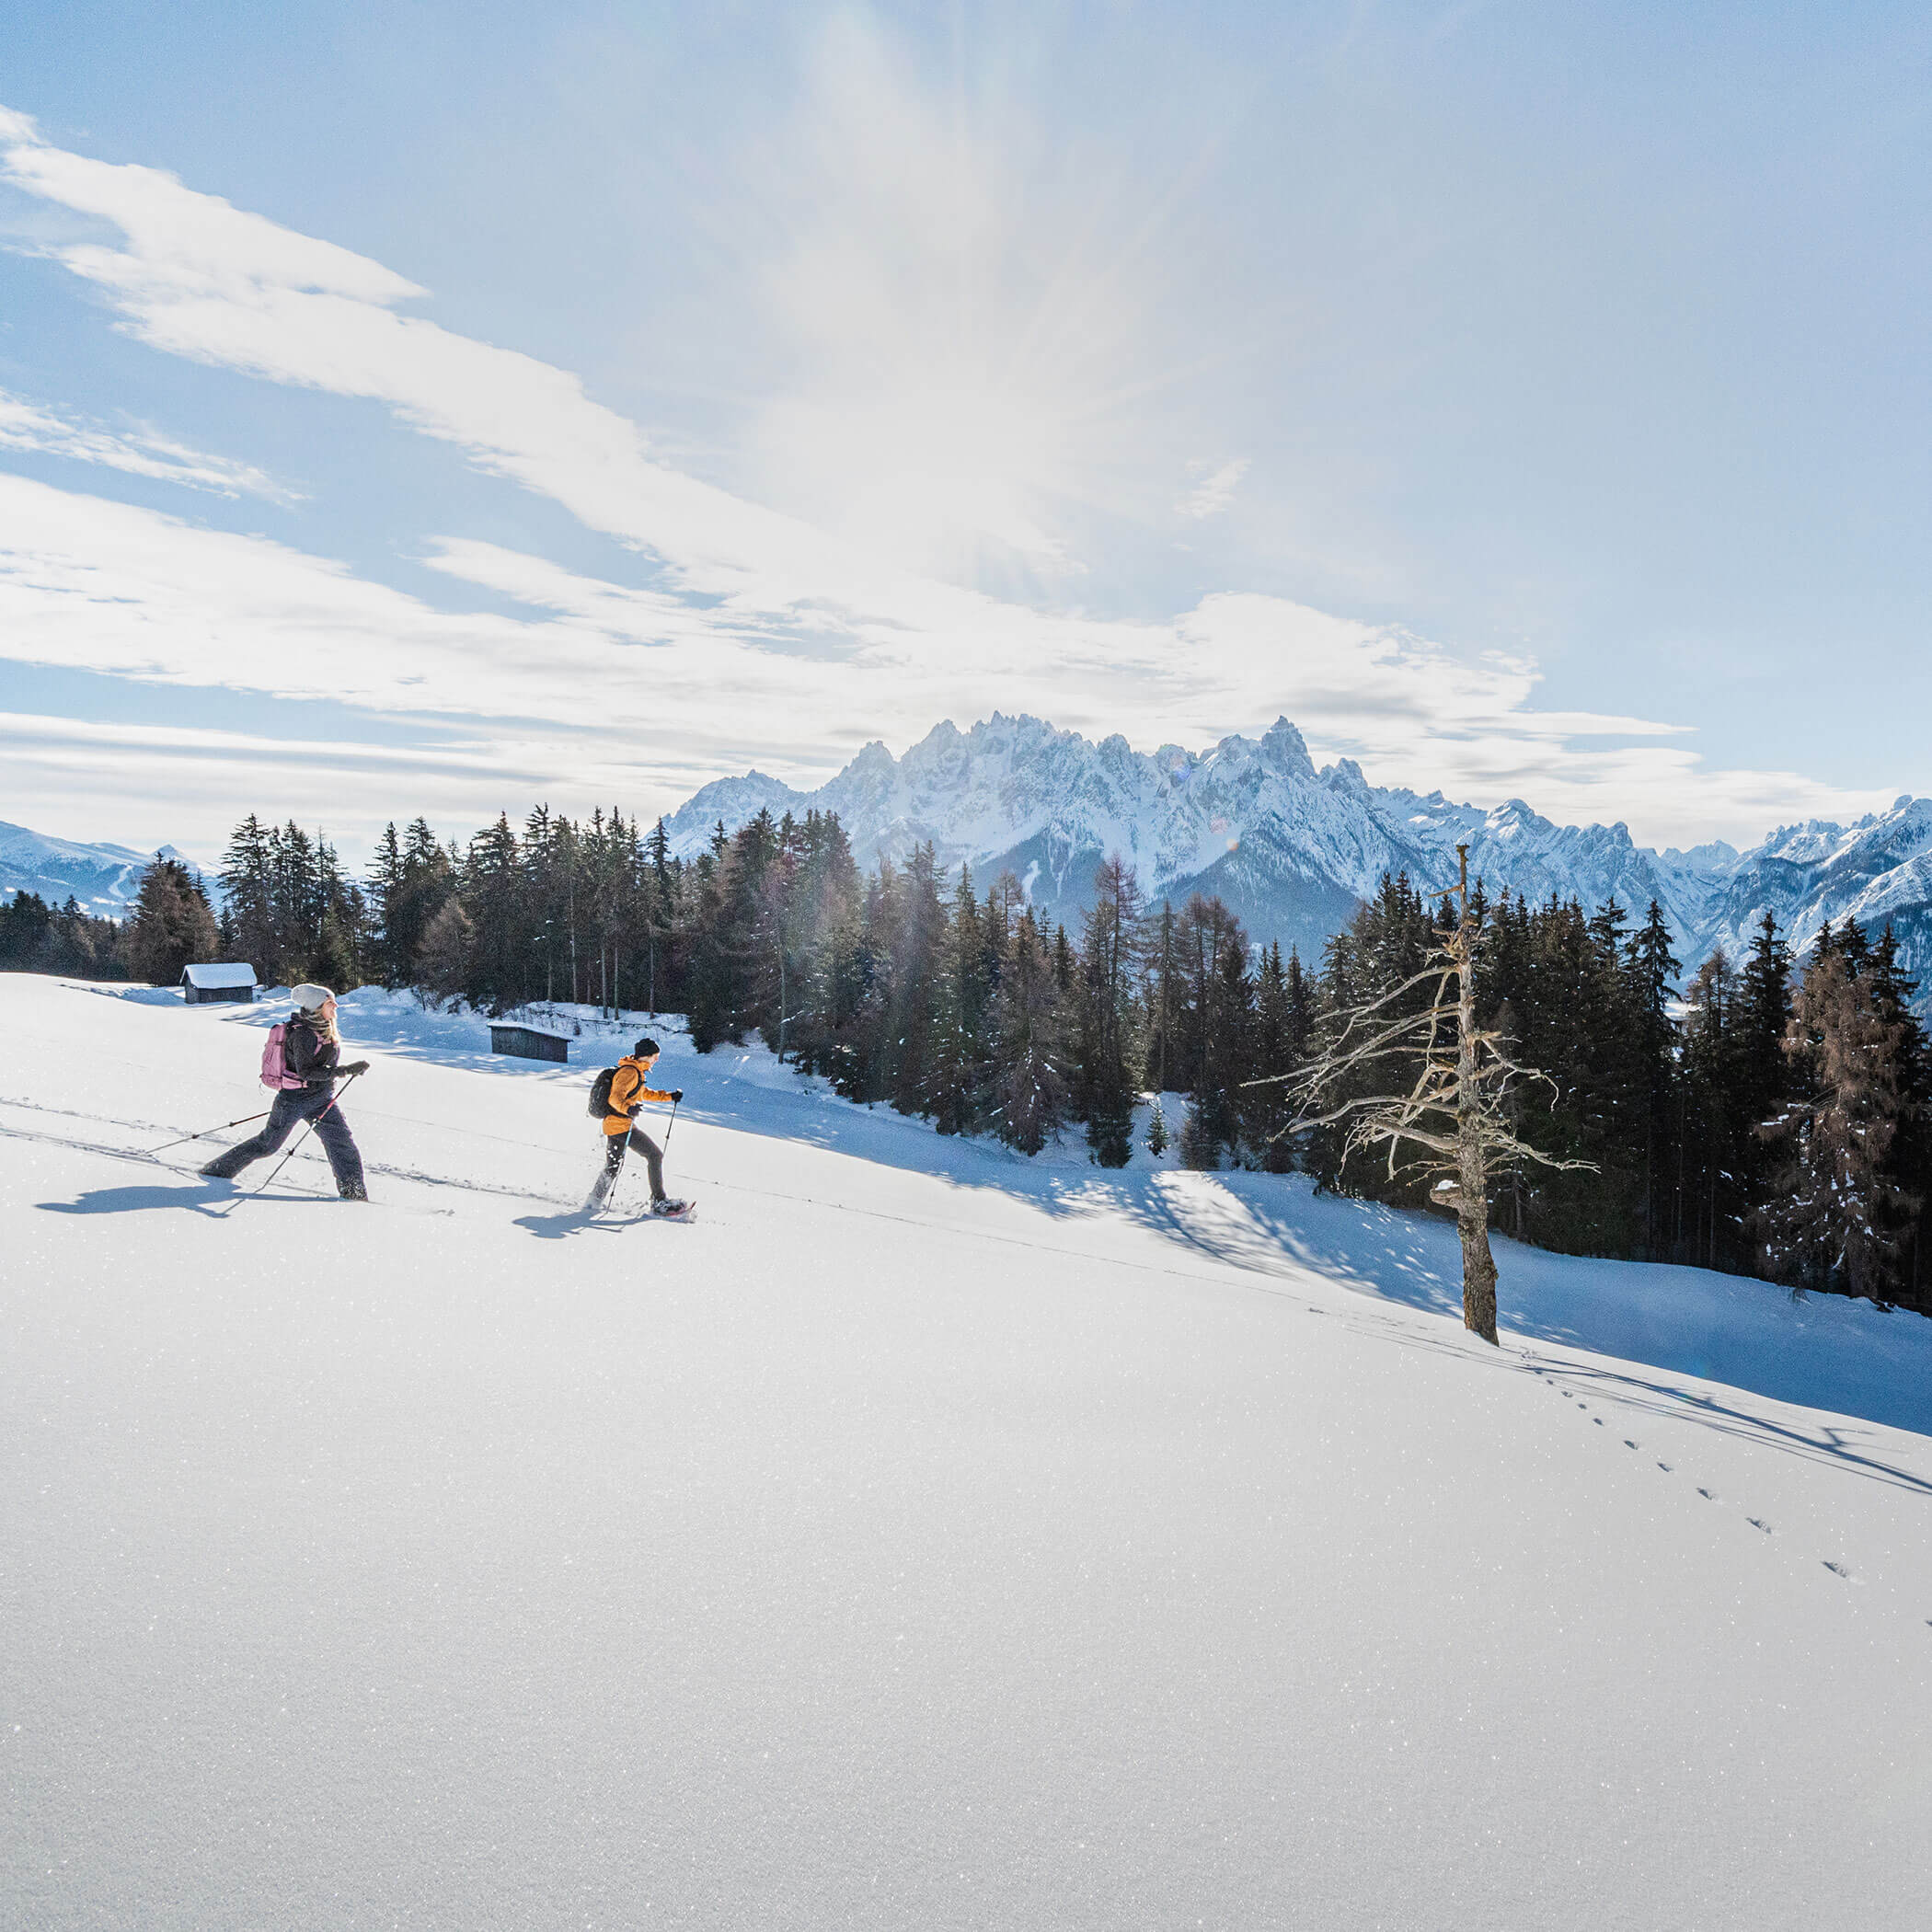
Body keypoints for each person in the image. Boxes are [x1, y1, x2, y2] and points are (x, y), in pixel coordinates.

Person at [201, 983, 372, 1200]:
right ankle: (216, 1170)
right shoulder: (303, 1035)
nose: (335, 1006)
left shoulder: (324, 1028)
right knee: (268, 1145)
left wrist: (341, 1072)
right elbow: (307, 1072)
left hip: (321, 1099)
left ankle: (354, 1194)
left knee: (342, 1143)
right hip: (294, 1100)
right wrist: (345, 1071)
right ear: (316, 1007)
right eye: (330, 1003)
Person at [588, 1037, 686, 1214]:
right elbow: (615, 1098)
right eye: (655, 1056)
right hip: (620, 1126)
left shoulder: (636, 1072)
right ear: (646, 1056)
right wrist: (628, 1108)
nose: (656, 1060)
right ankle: (659, 1202)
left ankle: (593, 1201)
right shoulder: (629, 1072)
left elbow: (644, 1093)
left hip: (616, 1125)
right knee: (655, 1155)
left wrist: (669, 1096)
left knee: (612, 1166)